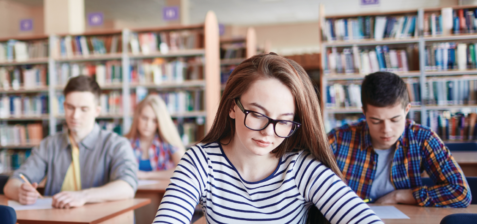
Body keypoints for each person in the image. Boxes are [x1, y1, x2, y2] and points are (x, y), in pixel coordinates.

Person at [153, 53, 382, 224]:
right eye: (257, 114)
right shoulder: (200, 161)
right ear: (233, 107)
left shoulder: (301, 168)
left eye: (283, 121)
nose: (268, 132)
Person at [328, 71, 471, 207]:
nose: (386, 130)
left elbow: (460, 193)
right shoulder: (337, 139)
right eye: (376, 121)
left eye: (395, 119)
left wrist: (398, 196)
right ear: (364, 112)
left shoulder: (422, 138)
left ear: (407, 110)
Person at [3, 75, 137, 208]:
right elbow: (12, 184)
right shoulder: (49, 144)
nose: (75, 116)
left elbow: (127, 186)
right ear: (64, 106)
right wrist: (20, 192)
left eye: (84, 109)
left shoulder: (117, 144)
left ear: (97, 111)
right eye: (70, 108)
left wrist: (83, 196)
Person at [125, 95, 185, 180]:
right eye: (145, 118)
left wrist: (147, 175)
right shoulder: (126, 144)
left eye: (154, 120)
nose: (148, 125)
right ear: (137, 117)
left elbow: (185, 169)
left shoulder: (168, 143)